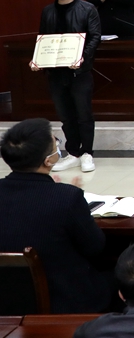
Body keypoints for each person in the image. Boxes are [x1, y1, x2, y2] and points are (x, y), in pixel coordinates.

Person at [0, 118, 112, 313]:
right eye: (56, 143)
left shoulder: (65, 196)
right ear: (48, 160)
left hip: (7, 298)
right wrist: (73, 201)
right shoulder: (67, 198)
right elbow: (95, 247)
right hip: (65, 300)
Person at [30, 0, 101, 172]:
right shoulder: (48, 11)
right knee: (66, 115)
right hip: (56, 73)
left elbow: (95, 37)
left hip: (79, 72)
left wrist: (82, 58)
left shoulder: (87, 9)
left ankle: (87, 153)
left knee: (83, 114)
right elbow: (44, 39)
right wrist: (37, 60)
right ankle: (73, 152)